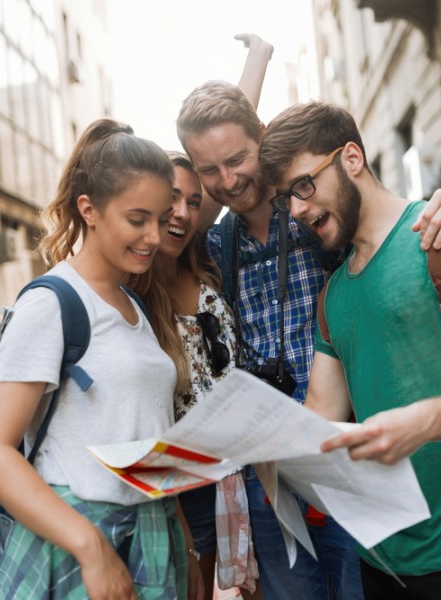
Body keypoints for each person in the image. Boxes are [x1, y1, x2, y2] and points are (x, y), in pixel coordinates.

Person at [175, 77, 441, 597]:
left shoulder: (314, 206)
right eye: (209, 169)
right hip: (273, 474)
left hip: (354, 457)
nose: (227, 180)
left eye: (238, 160)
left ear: (264, 137)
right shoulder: (215, 242)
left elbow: (395, 223)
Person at [258, 100, 441, 599]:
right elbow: (320, 412)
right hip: (380, 560)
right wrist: (250, 443)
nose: (296, 209)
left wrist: (418, 422)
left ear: (352, 159)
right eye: (286, 198)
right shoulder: (333, 294)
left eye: (303, 185)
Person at [0, 119, 200, 599]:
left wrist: (186, 546)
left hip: (154, 535)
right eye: (137, 219)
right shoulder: (50, 303)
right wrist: (90, 548)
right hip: (78, 541)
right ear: (89, 210)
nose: (154, 236)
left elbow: (141, 433)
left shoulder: (133, 302)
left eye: (160, 219)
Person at [128, 151, 259, 599]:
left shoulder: (210, 264)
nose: (182, 211)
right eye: (171, 198)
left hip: (244, 477)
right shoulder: (127, 296)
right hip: (184, 494)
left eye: (194, 202)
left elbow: (229, 130)